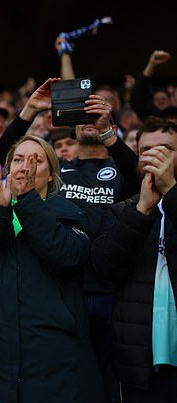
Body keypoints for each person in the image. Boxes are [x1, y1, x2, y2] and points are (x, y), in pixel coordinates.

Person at [0, 135, 104, 402]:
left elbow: (67, 256)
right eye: (18, 160)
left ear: (51, 175)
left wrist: (27, 202)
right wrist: (0, 212)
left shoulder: (71, 215)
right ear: (8, 169)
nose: (25, 167)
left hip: (55, 363)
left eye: (35, 160)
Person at [92, 117, 177, 402]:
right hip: (139, 359)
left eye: (165, 149)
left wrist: (172, 194)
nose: (154, 157)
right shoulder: (123, 210)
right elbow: (106, 268)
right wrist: (141, 211)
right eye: (146, 151)